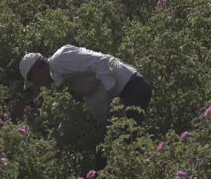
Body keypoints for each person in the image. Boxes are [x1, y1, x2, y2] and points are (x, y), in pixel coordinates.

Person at [19, 44, 152, 141]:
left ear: (38, 70)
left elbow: (100, 62)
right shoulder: (60, 78)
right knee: (112, 142)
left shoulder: (61, 58)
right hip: (125, 94)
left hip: (131, 87)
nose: (37, 85)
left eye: (34, 80)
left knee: (117, 142)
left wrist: (115, 101)